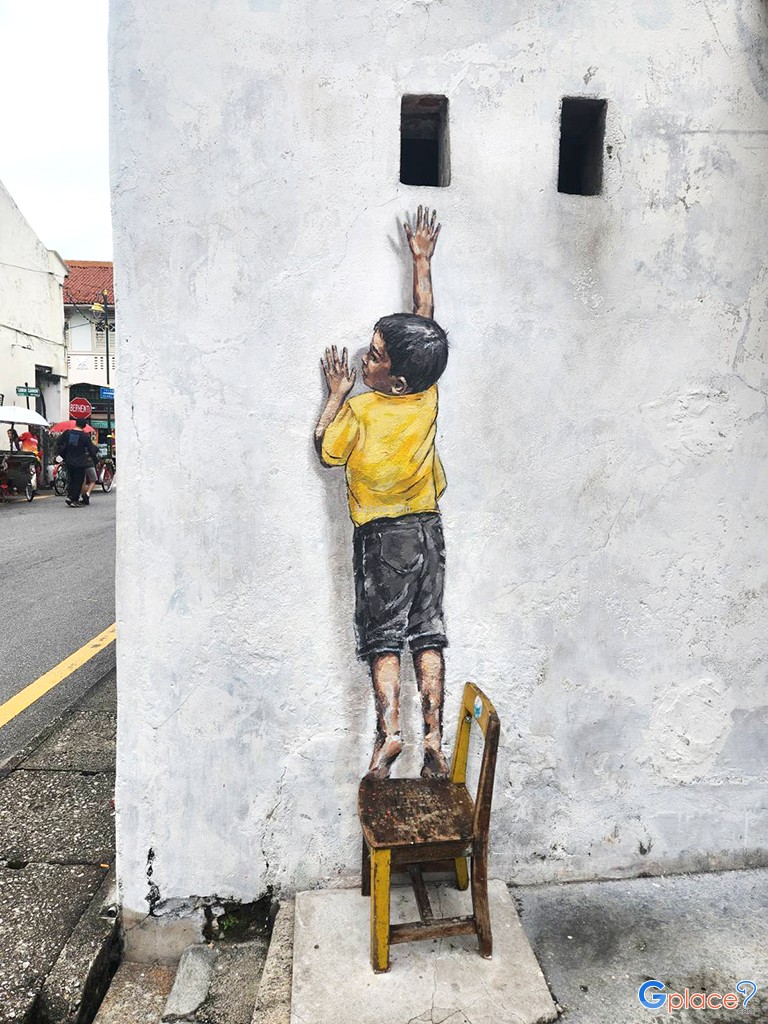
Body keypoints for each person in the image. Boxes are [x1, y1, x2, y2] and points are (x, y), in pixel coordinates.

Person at [314, 207, 449, 780]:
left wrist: (335, 394)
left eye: (373, 356)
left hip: (381, 538)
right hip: (428, 530)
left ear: (391, 379)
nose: (365, 358)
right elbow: (424, 328)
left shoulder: (363, 410)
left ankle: (391, 733)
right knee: (429, 632)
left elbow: (326, 450)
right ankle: (435, 737)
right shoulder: (424, 394)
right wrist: (421, 261)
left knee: (382, 640)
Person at [57, 418, 100, 508]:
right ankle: (74, 499)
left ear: (75, 424)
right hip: (80, 462)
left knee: (71, 479)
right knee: (78, 481)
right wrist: (96, 460)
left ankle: (69, 496)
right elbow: (91, 450)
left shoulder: (67, 433)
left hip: (68, 460)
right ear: (84, 426)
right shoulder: (85, 437)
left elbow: (59, 442)